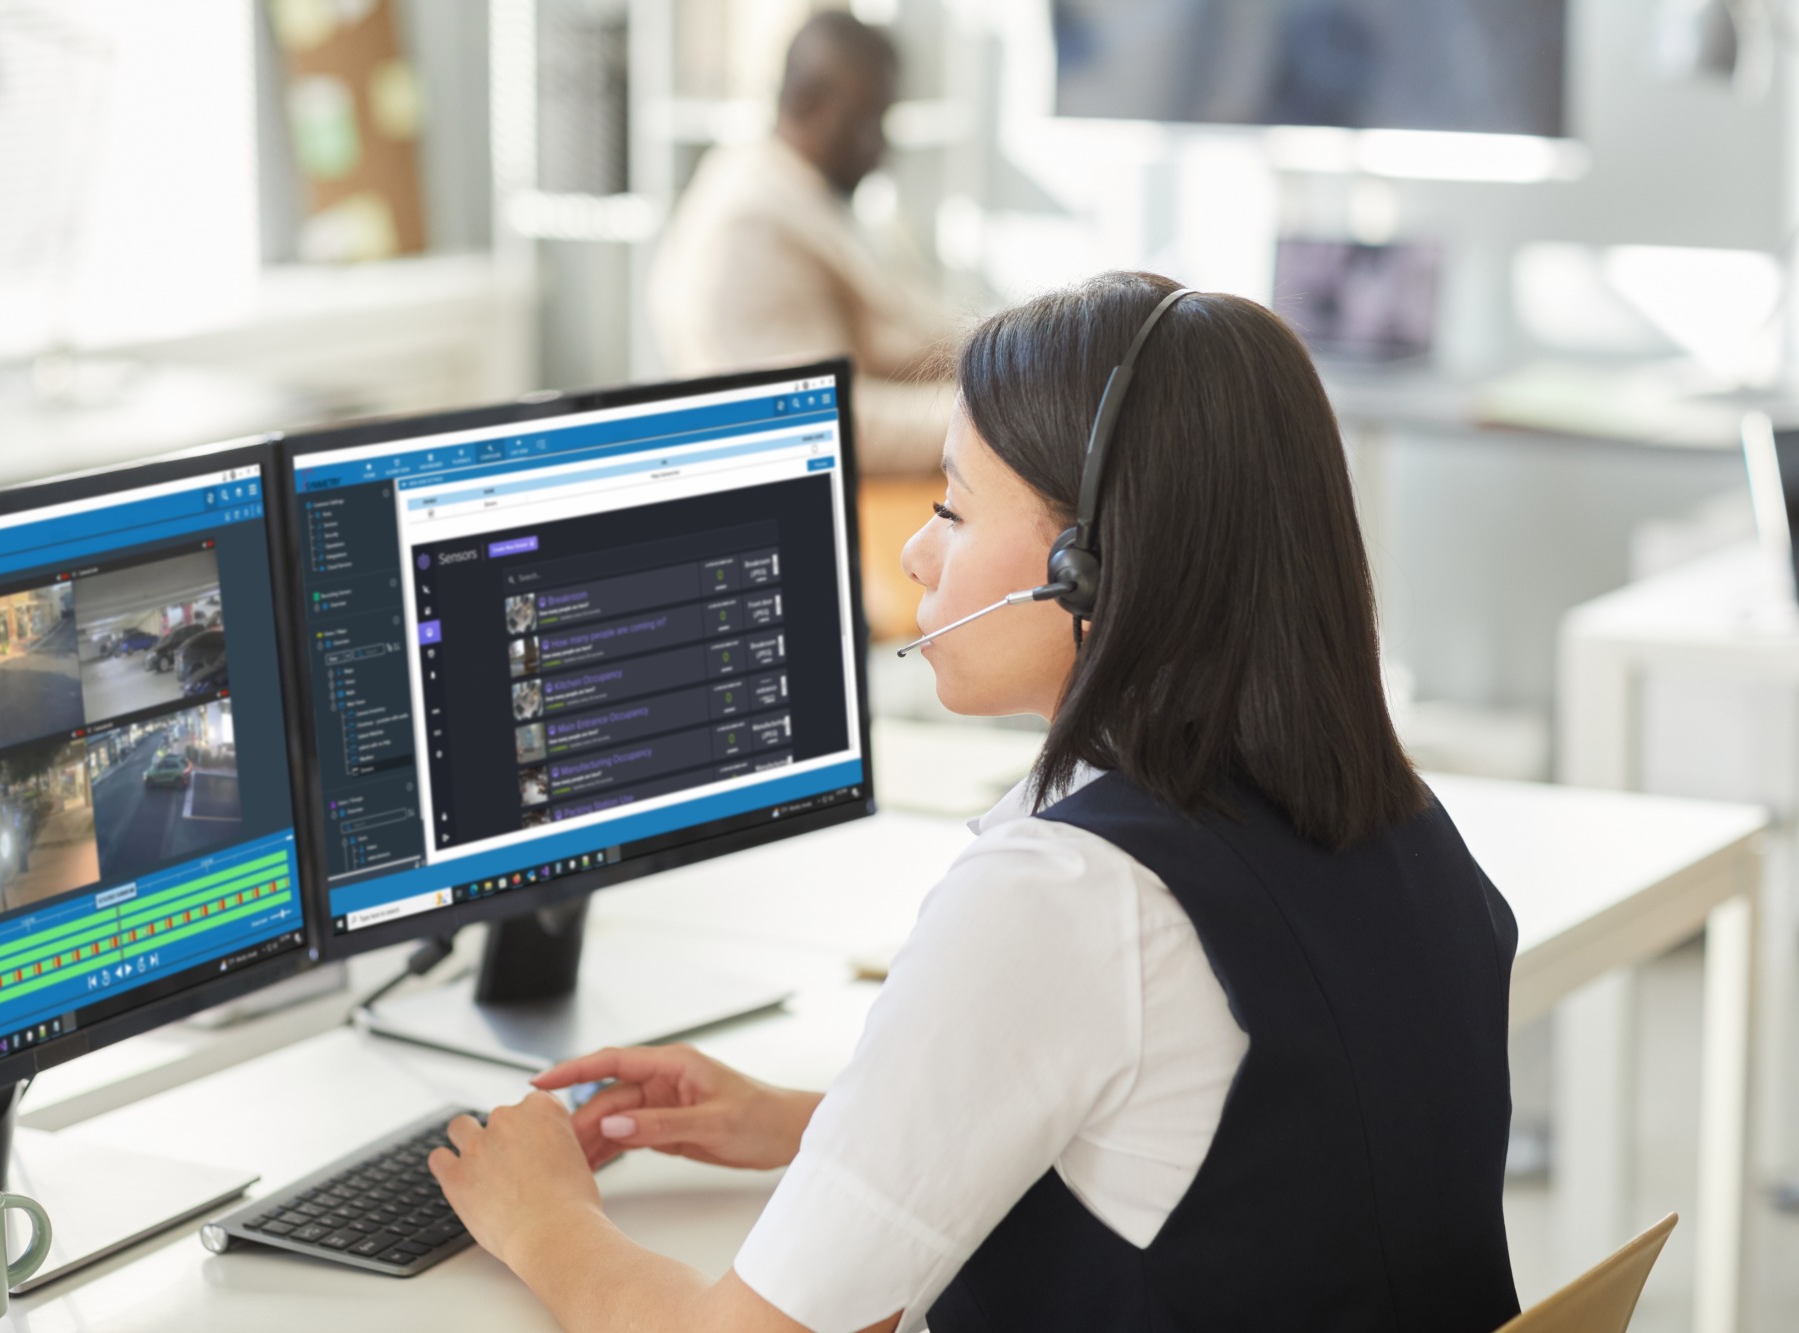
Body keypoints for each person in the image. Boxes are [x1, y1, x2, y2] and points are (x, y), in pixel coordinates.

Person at [426, 272, 1520, 1332]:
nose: (913, 549)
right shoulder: (1398, 824)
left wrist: (544, 1218)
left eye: (950, 506)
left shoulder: (1069, 896)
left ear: (1084, 565)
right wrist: (818, 1131)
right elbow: (1238, 1173)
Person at [648, 12, 957, 476]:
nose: (881, 146)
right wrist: (995, 419)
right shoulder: (749, 223)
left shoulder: (807, 189)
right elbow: (814, 421)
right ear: (806, 103)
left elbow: (903, 334)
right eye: (868, 119)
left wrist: (1015, 361)